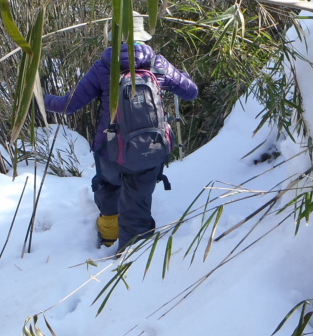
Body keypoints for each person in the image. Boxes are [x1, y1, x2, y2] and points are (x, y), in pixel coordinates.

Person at [44, 13, 198, 252]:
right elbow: (191, 92)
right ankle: (133, 259)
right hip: (149, 150)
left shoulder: (103, 67)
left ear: (112, 37)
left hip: (110, 151)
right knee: (137, 204)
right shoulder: (157, 63)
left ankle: (107, 239)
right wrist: (182, 78)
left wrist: (39, 99)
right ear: (142, 35)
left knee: (107, 191)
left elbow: (68, 104)